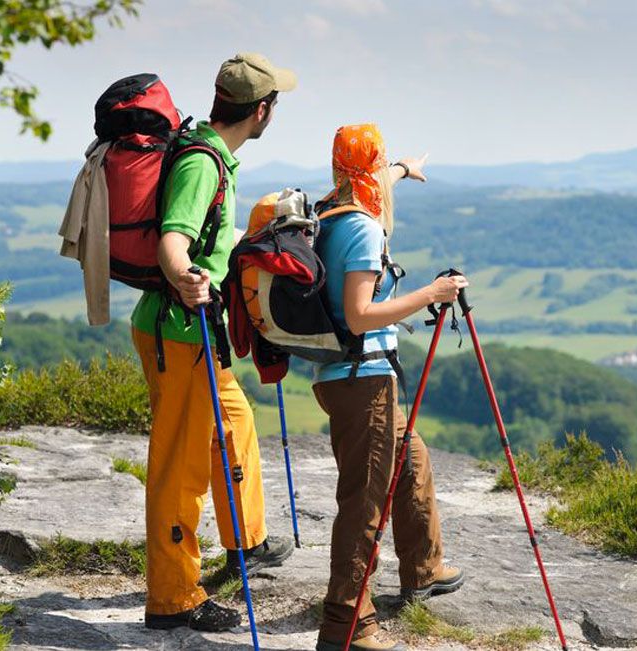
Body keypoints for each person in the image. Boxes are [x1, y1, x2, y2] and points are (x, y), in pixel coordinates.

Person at [130, 53, 298, 632]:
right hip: (180, 331)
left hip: (197, 331)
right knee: (180, 465)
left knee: (234, 424)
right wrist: (186, 277)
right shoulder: (202, 164)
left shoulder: (211, 152)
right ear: (261, 111)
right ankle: (173, 598)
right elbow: (174, 239)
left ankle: (245, 541)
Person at [312, 124, 469, 651]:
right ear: (368, 170)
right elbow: (359, 315)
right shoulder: (361, 229)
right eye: (381, 167)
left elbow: (374, 181)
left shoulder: (331, 208)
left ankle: (423, 570)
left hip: (346, 376)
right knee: (363, 504)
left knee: (412, 456)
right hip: (363, 379)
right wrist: (433, 292)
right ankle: (348, 624)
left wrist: (404, 168)